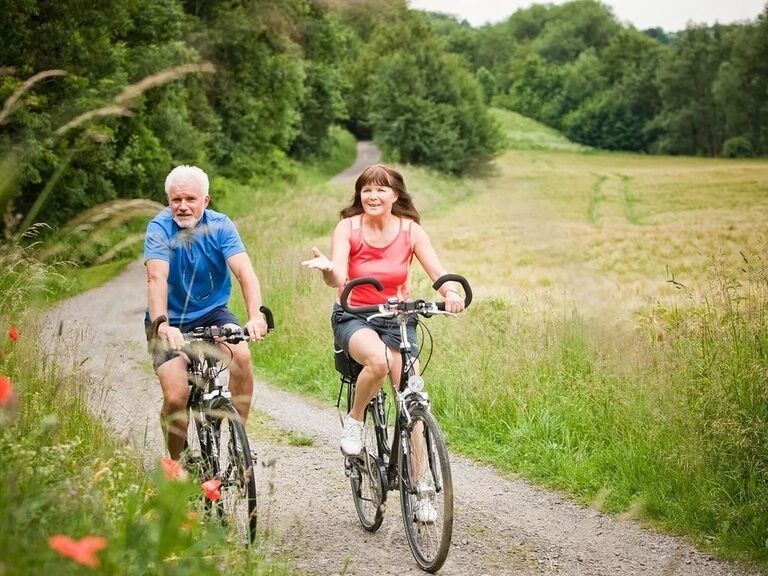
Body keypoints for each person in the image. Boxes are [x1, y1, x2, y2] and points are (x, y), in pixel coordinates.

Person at [302, 163, 465, 456]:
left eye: (381, 189)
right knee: (378, 362)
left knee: (411, 396)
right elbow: (338, 276)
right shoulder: (348, 228)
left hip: (397, 316)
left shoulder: (410, 230)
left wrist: (450, 292)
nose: (373, 196)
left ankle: (421, 487)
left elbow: (437, 273)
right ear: (359, 195)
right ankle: (355, 419)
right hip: (354, 314)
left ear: (395, 195)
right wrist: (328, 270)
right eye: (366, 189)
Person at [144, 165, 269, 461]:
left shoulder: (221, 226)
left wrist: (255, 316)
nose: (183, 206)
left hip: (213, 313)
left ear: (206, 201)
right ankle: (176, 466)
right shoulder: (159, 228)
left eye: (190, 199)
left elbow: (244, 272)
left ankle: (239, 443)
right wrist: (162, 324)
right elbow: (156, 278)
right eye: (176, 200)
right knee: (176, 396)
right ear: (168, 200)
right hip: (168, 320)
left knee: (241, 356)